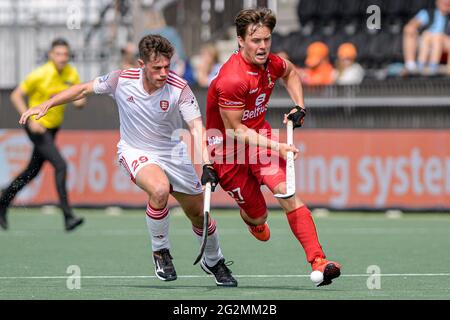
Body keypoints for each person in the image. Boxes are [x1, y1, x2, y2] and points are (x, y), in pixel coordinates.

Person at [19, 35, 237, 287]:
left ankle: (213, 260)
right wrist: (48, 103)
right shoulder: (121, 79)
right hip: (135, 150)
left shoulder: (179, 87)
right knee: (159, 189)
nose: (164, 73)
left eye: (167, 66)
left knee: (199, 214)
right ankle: (161, 252)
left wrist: (207, 164)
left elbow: (197, 127)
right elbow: (82, 89)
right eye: (157, 68)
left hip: (172, 152)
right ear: (141, 64)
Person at [205, 8, 341, 287]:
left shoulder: (270, 63)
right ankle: (254, 222)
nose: (263, 46)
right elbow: (234, 130)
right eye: (256, 41)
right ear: (240, 40)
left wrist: (299, 106)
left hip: (259, 140)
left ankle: (319, 260)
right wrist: (277, 146)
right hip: (228, 151)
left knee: (285, 191)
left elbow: (290, 73)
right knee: (259, 214)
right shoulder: (232, 78)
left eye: (267, 39)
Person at [0, 38, 85, 232]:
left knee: (32, 172)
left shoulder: (71, 73)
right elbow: (16, 95)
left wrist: (80, 102)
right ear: (51, 55)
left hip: (52, 129)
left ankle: (3, 201)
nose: (62, 58)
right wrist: (30, 120)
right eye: (58, 54)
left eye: (65, 54)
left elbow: (79, 97)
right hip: (37, 128)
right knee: (61, 165)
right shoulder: (41, 74)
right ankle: (68, 216)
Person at [403, 0, 450, 75]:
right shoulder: (427, 13)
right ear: (437, 2)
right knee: (423, 35)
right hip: (427, 41)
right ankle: (412, 65)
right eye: (443, 2)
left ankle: (433, 66)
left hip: (444, 43)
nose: (446, 4)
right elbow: (412, 25)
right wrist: (412, 27)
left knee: (438, 38)